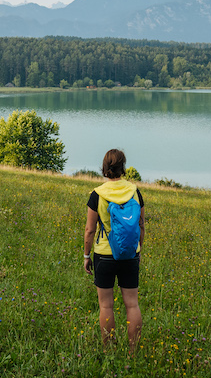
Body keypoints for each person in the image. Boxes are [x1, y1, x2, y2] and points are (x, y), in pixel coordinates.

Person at [83, 148, 145, 353]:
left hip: (104, 255)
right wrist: (138, 250)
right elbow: (141, 225)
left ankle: (109, 351)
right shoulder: (135, 192)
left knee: (106, 306)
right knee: (132, 305)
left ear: (104, 167)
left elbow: (90, 230)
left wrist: (86, 256)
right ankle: (133, 351)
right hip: (130, 254)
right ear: (123, 167)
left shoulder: (97, 194)